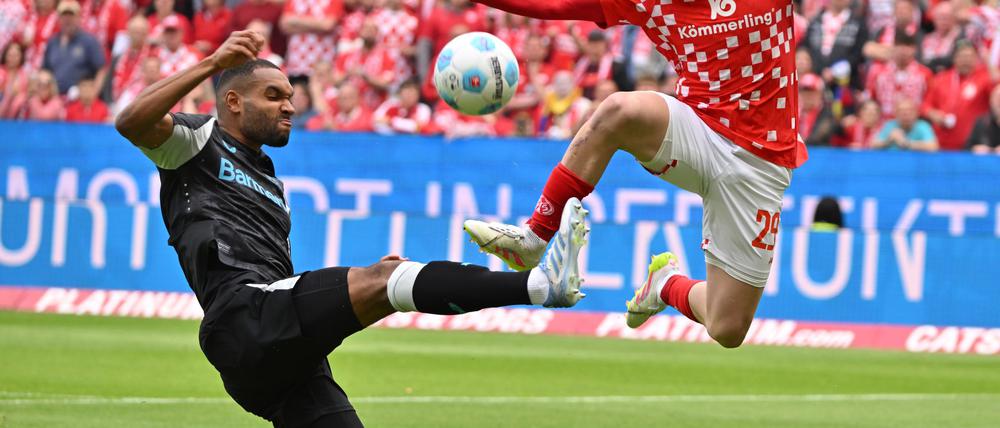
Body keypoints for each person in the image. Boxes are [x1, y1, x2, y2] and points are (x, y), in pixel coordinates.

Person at [113, 31, 589, 427]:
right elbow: (131, 122)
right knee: (385, 283)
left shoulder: (271, 184)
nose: (289, 107)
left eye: (291, 98)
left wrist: (351, 288)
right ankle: (542, 284)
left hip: (278, 352)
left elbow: (284, 282)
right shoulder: (194, 142)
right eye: (273, 95)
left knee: (386, 279)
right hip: (243, 315)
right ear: (233, 102)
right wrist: (212, 62)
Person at [464, 0, 806, 348]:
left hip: (760, 161)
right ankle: (534, 238)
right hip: (697, 129)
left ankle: (665, 283)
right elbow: (553, 4)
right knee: (619, 111)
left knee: (727, 327)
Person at [872, 98, 939, 152]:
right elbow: (873, 145)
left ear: (916, 113)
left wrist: (906, 143)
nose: (906, 115)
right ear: (895, 114)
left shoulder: (923, 126)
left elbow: (933, 147)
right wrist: (888, 140)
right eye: (902, 111)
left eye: (909, 111)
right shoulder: (890, 125)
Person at [967, 84, 1000, 154]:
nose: (999, 103)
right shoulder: (981, 123)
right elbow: (966, 148)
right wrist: (975, 149)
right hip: (984, 163)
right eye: (997, 99)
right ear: (991, 101)